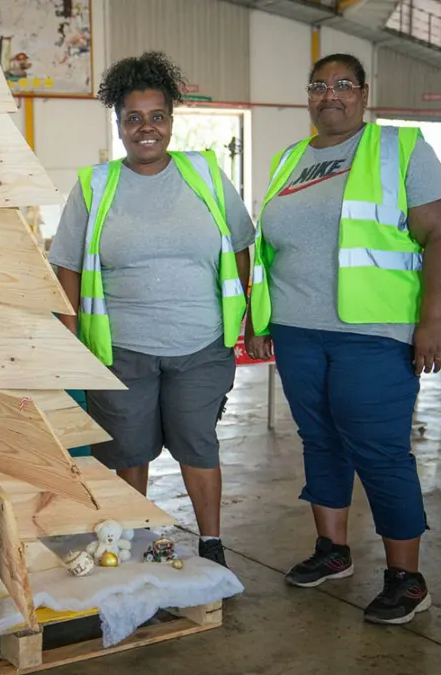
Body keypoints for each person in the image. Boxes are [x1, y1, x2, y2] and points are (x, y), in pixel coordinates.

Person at [245, 54, 441, 624]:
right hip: (297, 330)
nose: (330, 94)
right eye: (319, 85)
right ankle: (332, 552)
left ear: (364, 94)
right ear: (308, 96)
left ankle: (406, 580)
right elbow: (271, 250)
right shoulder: (291, 158)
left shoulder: (400, 148)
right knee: (319, 441)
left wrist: (432, 320)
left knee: (381, 453)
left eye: (343, 84)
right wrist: (258, 320)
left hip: (373, 332)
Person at [48, 52, 255, 567]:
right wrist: (70, 337)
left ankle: (211, 541)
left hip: (201, 344)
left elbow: (240, 247)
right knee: (127, 450)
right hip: (122, 350)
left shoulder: (206, 173)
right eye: (133, 118)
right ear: (118, 124)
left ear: (171, 120)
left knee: (198, 445)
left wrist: (245, 313)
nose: (146, 128)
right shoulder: (95, 185)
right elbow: (67, 265)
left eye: (156, 116)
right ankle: (131, 537)